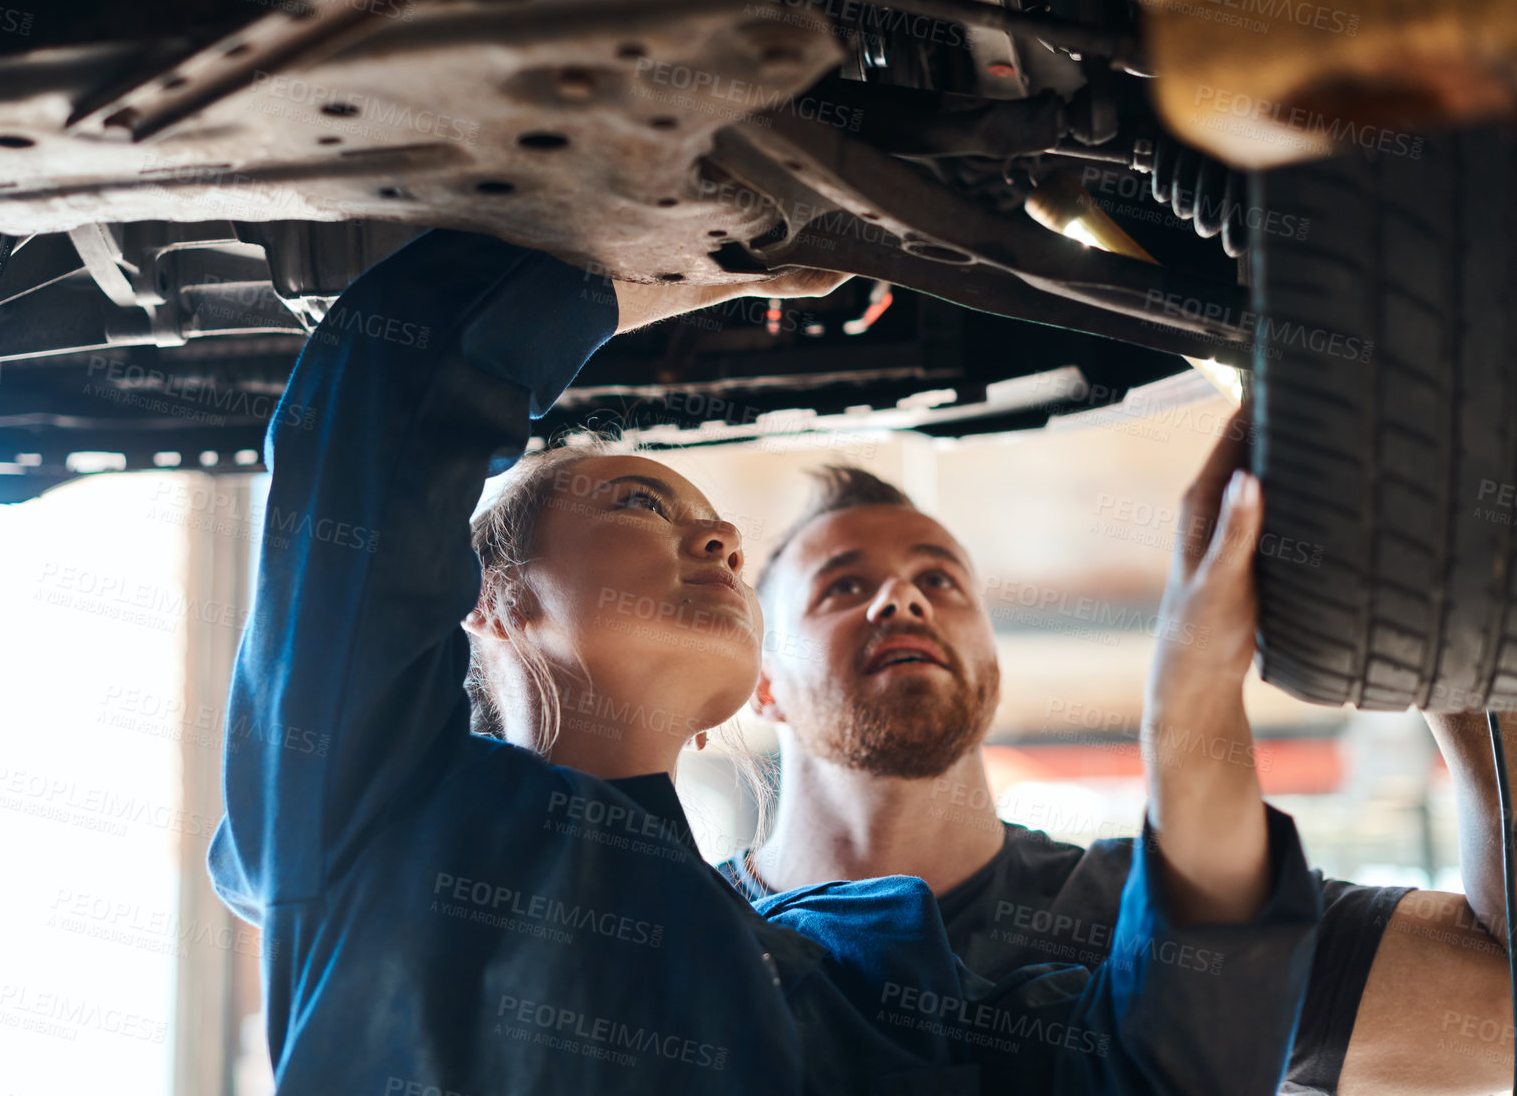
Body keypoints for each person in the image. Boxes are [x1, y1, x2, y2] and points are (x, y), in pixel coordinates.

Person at [208, 227, 1320, 1095]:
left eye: (720, 535)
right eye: (643, 502)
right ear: (489, 603)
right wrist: (654, 266)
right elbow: (375, 414)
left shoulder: (826, 977)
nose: (719, 540)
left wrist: (1188, 685)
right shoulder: (364, 806)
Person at [722, 444, 1517, 1095]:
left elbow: (1500, 1015)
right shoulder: (686, 922)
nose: (901, 596)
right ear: (764, 686)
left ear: (992, 662)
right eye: (843, 585)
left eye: (940, 579)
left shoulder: (1164, 908)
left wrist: (1444, 635)